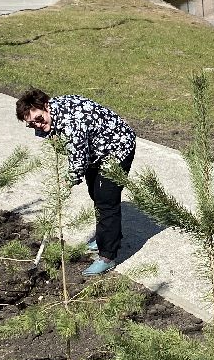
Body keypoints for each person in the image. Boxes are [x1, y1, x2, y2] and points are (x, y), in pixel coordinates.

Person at [16, 88, 136, 276]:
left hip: (117, 148)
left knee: (106, 199)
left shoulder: (73, 122)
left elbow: (78, 161)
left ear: (46, 106)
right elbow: (69, 148)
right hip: (95, 150)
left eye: (38, 119)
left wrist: (67, 182)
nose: (37, 125)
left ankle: (108, 256)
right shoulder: (51, 114)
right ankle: (105, 235)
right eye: (31, 124)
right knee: (95, 192)